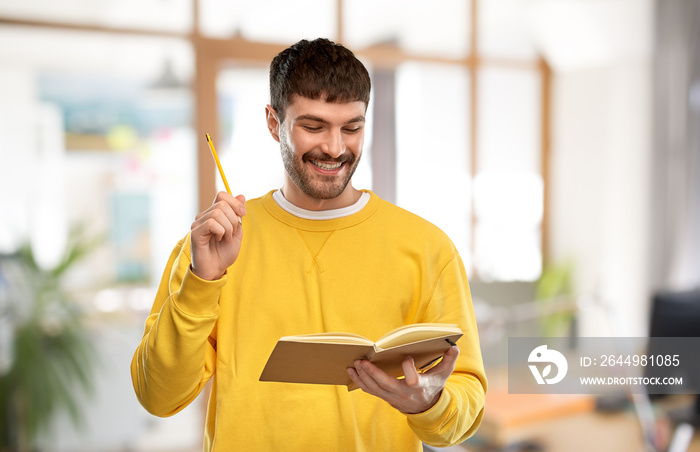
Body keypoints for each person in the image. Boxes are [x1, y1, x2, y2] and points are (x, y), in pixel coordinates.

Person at [131, 37, 486, 451]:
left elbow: (467, 407)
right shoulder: (211, 249)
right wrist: (200, 282)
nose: (335, 148)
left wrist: (431, 403)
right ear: (273, 122)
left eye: (352, 128)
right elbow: (158, 397)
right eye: (313, 126)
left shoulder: (427, 248)